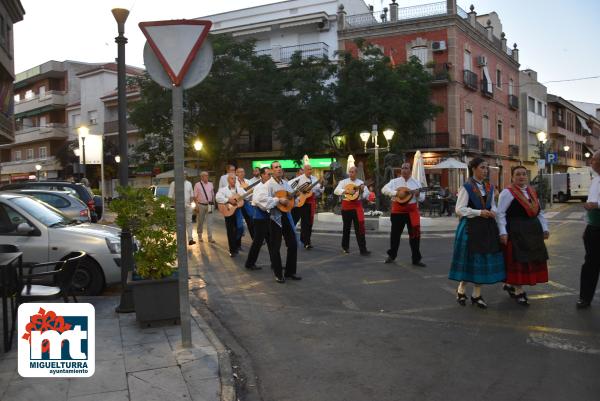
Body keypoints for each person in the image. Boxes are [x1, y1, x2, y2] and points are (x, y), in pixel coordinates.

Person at [448, 158, 505, 309]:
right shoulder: (466, 187)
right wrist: (479, 212)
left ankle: (476, 294)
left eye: (486, 168)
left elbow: (493, 205)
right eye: (482, 168)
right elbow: (459, 209)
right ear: (473, 169)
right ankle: (461, 289)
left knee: (482, 261)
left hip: (486, 228)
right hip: (470, 228)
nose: (485, 171)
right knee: (470, 261)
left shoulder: (489, 187)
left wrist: (493, 211)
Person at [496, 165, 549, 306]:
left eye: (524, 174)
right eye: (518, 174)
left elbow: (539, 211)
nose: (521, 177)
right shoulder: (507, 193)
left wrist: (545, 228)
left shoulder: (532, 191)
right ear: (512, 177)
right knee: (519, 261)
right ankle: (519, 291)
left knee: (530, 260)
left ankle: (509, 284)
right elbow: (500, 213)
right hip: (516, 231)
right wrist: (502, 232)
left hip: (533, 232)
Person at [253, 161, 300, 283]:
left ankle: (290, 272)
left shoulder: (286, 184)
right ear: (272, 171)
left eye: (280, 167)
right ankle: (278, 274)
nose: (279, 169)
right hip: (274, 217)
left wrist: (295, 198)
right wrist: (277, 200)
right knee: (275, 246)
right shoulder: (268, 185)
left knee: (293, 244)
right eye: (276, 167)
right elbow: (260, 200)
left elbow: (292, 200)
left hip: (286, 215)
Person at [382, 162, 426, 267]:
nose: (404, 170)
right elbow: (383, 189)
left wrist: (418, 194)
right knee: (395, 235)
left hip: (412, 212)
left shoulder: (416, 183)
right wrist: (396, 193)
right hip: (397, 211)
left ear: (410, 170)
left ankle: (416, 259)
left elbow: (423, 198)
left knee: (415, 236)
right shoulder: (394, 182)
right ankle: (392, 256)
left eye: (406, 168)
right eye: (402, 168)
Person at [577, 150, 600, 309]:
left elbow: (595, 204)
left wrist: (597, 205)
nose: (591, 161)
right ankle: (585, 298)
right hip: (594, 228)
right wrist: (588, 225)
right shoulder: (596, 180)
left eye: (594, 159)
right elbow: (591, 204)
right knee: (590, 264)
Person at [334, 166, 371, 256]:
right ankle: (345, 247)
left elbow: (367, 194)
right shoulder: (343, 182)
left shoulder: (361, 183)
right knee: (346, 228)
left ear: (356, 173)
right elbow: (336, 191)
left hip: (357, 207)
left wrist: (362, 192)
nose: (351, 173)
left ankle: (363, 249)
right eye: (350, 172)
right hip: (346, 207)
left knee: (360, 229)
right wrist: (346, 191)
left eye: (352, 172)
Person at [289, 163, 323, 249]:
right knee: (299, 221)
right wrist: (298, 194)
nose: (310, 171)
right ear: (304, 170)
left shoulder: (314, 179)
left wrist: (322, 185)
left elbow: (320, 190)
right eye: (308, 169)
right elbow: (289, 186)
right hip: (300, 202)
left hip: (310, 203)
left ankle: (306, 241)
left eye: (311, 169)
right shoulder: (298, 179)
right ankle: (297, 239)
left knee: (308, 223)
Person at [245, 167, 272, 270]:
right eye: (268, 174)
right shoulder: (260, 187)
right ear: (262, 175)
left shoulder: (269, 186)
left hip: (266, 217)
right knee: (258, 242)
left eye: (270, 174)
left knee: (270, 241)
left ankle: (274, 263)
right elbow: (258, 202)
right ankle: (249, 263)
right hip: (260, 218)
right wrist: (271, 205)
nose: (270, 176)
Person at [216, 174, 246, 257]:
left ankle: (237, 245)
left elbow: (247, 195)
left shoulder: (239, 189)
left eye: (234, 179)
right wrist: (228, 200)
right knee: (230, 231)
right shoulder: (223, 190)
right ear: (228, 180)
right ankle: (232, 250)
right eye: (232, 179)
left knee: (240, 228)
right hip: (228, 211)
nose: (234, 180)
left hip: (238, 211)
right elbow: (218, 198)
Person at [168, 172, 196, 245]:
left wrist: (191, 203)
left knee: (189, 222)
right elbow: (170, 196)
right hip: (178, 207)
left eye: (185, 174)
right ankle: (180, 240)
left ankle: (190, 239)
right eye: (182, 174)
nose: (184, 175)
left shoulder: (189, 183)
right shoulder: (173, 183)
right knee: (179, 224)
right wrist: (175, 204)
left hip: (188, 206)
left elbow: (192, 195)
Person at [194, 171, 216, 243]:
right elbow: (195, 196)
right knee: (200, 221)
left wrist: (213, 204)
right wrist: (196, 206)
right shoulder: (197, 185)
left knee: (210, 222)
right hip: (201, 205)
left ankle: (210, 238)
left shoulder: (211, 184)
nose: (207, 177)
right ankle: (200, 236)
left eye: (207, 176)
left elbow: (212, 194)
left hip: (210, 205)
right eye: (205, 176)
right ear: (201, 177)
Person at [236, 167, 255, 240]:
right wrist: (246, 193)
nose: (241, 173)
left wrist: (247, 194)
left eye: (243, 172)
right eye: (239, 172)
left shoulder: (248, 181)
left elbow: (251, 192)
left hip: (247, 202)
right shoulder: (235, 182)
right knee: (239, 224)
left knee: (251, 220)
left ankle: (254, 238)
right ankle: (238, 242)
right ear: (236, 173)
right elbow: (238, 193)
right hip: (238, 203)